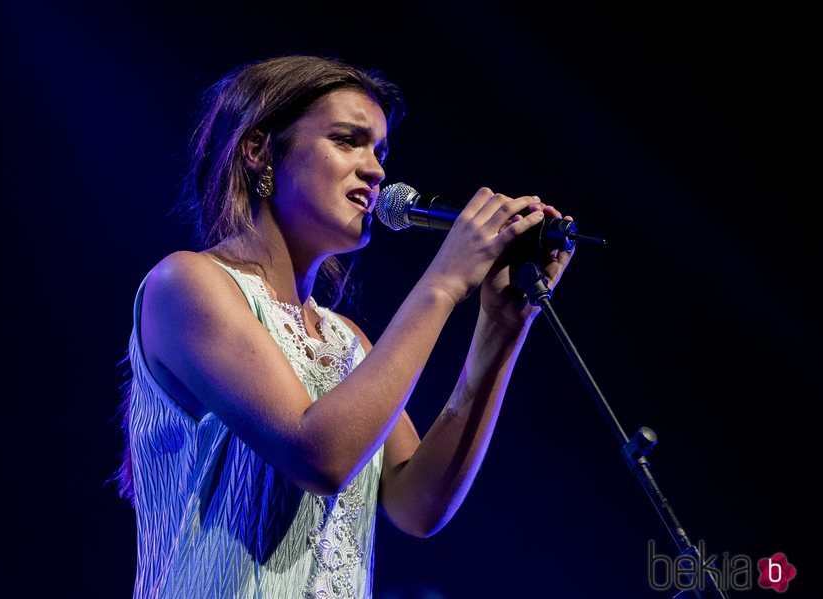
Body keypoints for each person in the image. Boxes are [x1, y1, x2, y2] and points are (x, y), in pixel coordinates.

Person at [116, 55, 573, 598]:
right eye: (348, 141)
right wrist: (444, 283)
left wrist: (501, 330)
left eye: (379, 151)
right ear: (259, 148)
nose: (377, 170)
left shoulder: (346, 340)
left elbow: (416, 505)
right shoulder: (187, 285)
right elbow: (320, 456)